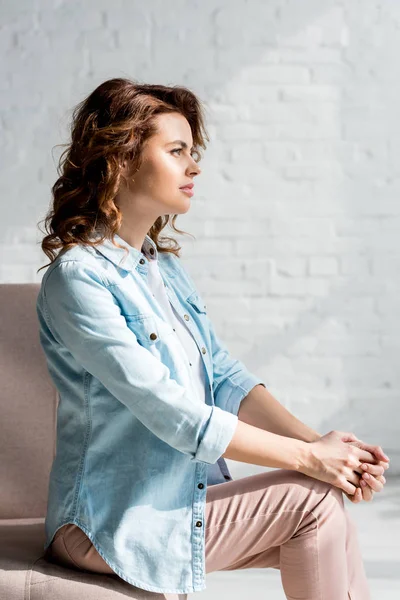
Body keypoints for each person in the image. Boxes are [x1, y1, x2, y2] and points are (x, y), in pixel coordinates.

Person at [36, 77, 389, 599]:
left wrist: (318, 445)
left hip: (176, 501)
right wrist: (310, 459)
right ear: (122, 158)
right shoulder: (79, 280)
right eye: (176, 151)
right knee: (311, 498)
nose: (194, 167)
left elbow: (223, 376)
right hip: (109, 522)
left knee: (321, 506)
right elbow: (174, 414)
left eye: (191, 152)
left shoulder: (164, 271)